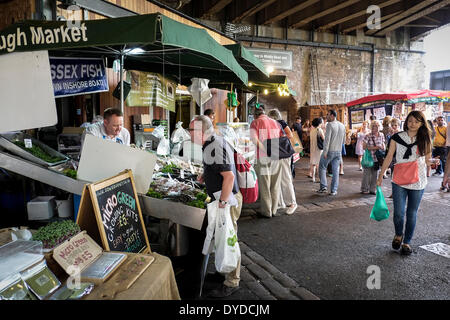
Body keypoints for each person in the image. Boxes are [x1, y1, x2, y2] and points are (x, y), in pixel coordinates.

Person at [189, 115, 242, 298]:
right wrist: (206, 175)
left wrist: (222, 203)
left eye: (191, 130)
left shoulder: (214, 146)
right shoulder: (210, 142)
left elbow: (229, 177)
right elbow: (219, 169)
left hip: (228, 199)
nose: (189, 134)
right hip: (221, 196)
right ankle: (223, 272)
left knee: (229, 240)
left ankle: (232, 281)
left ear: (201, 131)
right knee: (221, 239)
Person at [377, 111, 436, 256]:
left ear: (422, 123)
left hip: (419, 179)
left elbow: (428, 160)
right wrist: (380, 175)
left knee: (411, 212)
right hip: (399, 179)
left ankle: (407, 242)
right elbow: (389, 156)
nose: (413, 124)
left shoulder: (425, 139)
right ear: (406, 122)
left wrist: (434, 162)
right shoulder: (397, 137)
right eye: (410, 121)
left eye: (416, 121)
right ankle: (398, 234)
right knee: (398, 212)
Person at [250, 107, 284, 218]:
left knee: (265, 185)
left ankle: (266, 211)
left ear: (255, 115)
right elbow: (282, 138)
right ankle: (274, 210)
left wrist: (265, 149)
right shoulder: (275, 122)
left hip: (263, 157)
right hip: (277, 156)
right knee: (275, 184)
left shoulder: (255, 122)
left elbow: (254, 140)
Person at [267, 109, 297, 215]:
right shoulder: (269, 125)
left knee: (285, 177)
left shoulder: (281, 123)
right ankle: (280, 202)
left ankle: (292, 202)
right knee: (276, 179)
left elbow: (290, 135)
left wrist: (279, 138)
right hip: (275, 152)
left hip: (283, 152)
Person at [317, 110, 346, 196]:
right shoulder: (342, 125)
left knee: (322, 167)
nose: (326, 116)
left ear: (332, 116)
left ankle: (323, 187)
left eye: (328, 115)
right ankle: (333, 190)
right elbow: (344, 141)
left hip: (329, 151)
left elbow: (327, 140)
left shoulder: (329, 125)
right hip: (338, 151)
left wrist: (325, 152)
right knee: (335, 171)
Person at [361, 120, 385, 195]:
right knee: (367, 174)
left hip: (377, 158)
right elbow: (364, 147)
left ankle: (372, 189)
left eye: (378, 126)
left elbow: (383, 144)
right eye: (374, 126)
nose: (376, 128)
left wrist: (383, 147)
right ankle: (364, 188)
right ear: (371, 127)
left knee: (375, 174)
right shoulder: (368, 136)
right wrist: (376, 147)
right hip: (369, 157)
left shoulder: (381, 135)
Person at [309, 117, 324, 182]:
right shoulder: (319, 130)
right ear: (319, 123)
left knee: (313, 163)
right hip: (318, 149)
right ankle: (320, 178)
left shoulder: (312, 131)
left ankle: (313, 178)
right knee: (318, 163)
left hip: (312, 148)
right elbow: (324, 139)